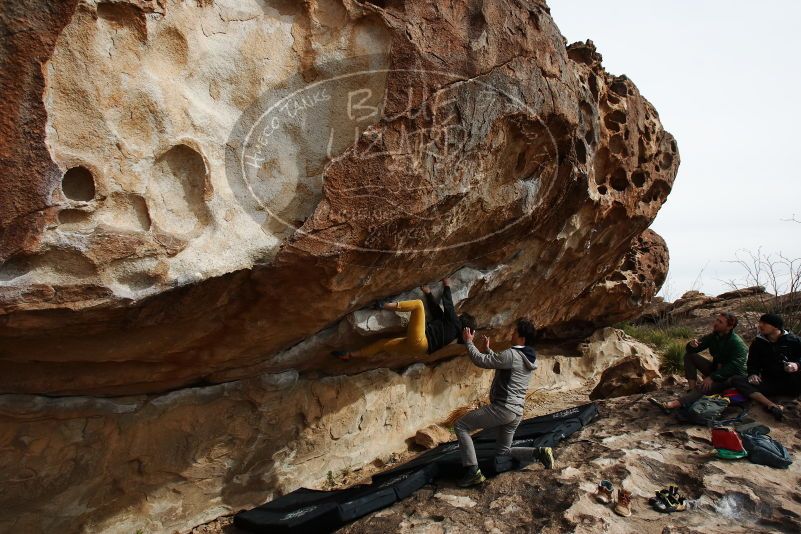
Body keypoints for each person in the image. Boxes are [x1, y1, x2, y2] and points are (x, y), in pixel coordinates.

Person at [453, 319, 554, 487]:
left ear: (522, 338)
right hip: (517, 412)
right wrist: (488, 350)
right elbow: (502, 362)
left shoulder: (511, 354)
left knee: (461, 426)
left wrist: (469, 342)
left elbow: (481, 361)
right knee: (504, 451)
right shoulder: (529, 357)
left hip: (503, 409)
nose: (512, 334)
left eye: (515, 333)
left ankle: (472, 471)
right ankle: (539, 452)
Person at [333, 278, 476, 360]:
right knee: (383, 344)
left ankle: (384, 305)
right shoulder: (451, 329)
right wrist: (428, 294)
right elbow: (437, 312)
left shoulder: (455, 323)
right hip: (419, 350)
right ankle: (351, 355)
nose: (458, 313)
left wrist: (447, 286)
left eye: (460, 314)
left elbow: (448, 304)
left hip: (420, 341)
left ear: (462, 319)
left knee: (418, 305)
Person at [649, 312, 747, 412]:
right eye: (717, 320)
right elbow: (692, 350)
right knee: (690, 356)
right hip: (716, 371)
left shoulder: (737, 343)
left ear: (729, 326)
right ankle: (691, 390)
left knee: (704, 387)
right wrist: (691, 345)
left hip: (730, 377)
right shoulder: (714, 336)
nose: (716, 323)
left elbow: (735, 366)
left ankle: (671, 405)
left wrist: (712, 377)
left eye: (720, 322)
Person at [729, 313, 801, 420]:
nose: (760, 326)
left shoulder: (795, 341)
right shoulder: (758, 343)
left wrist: (796, 365)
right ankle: (771, 405)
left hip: (793, 382)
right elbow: (752, 363)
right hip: (770, 383)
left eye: (764, 323)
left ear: (776, 326)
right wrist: (753, 374)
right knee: (737, 380)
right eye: (760, 322)